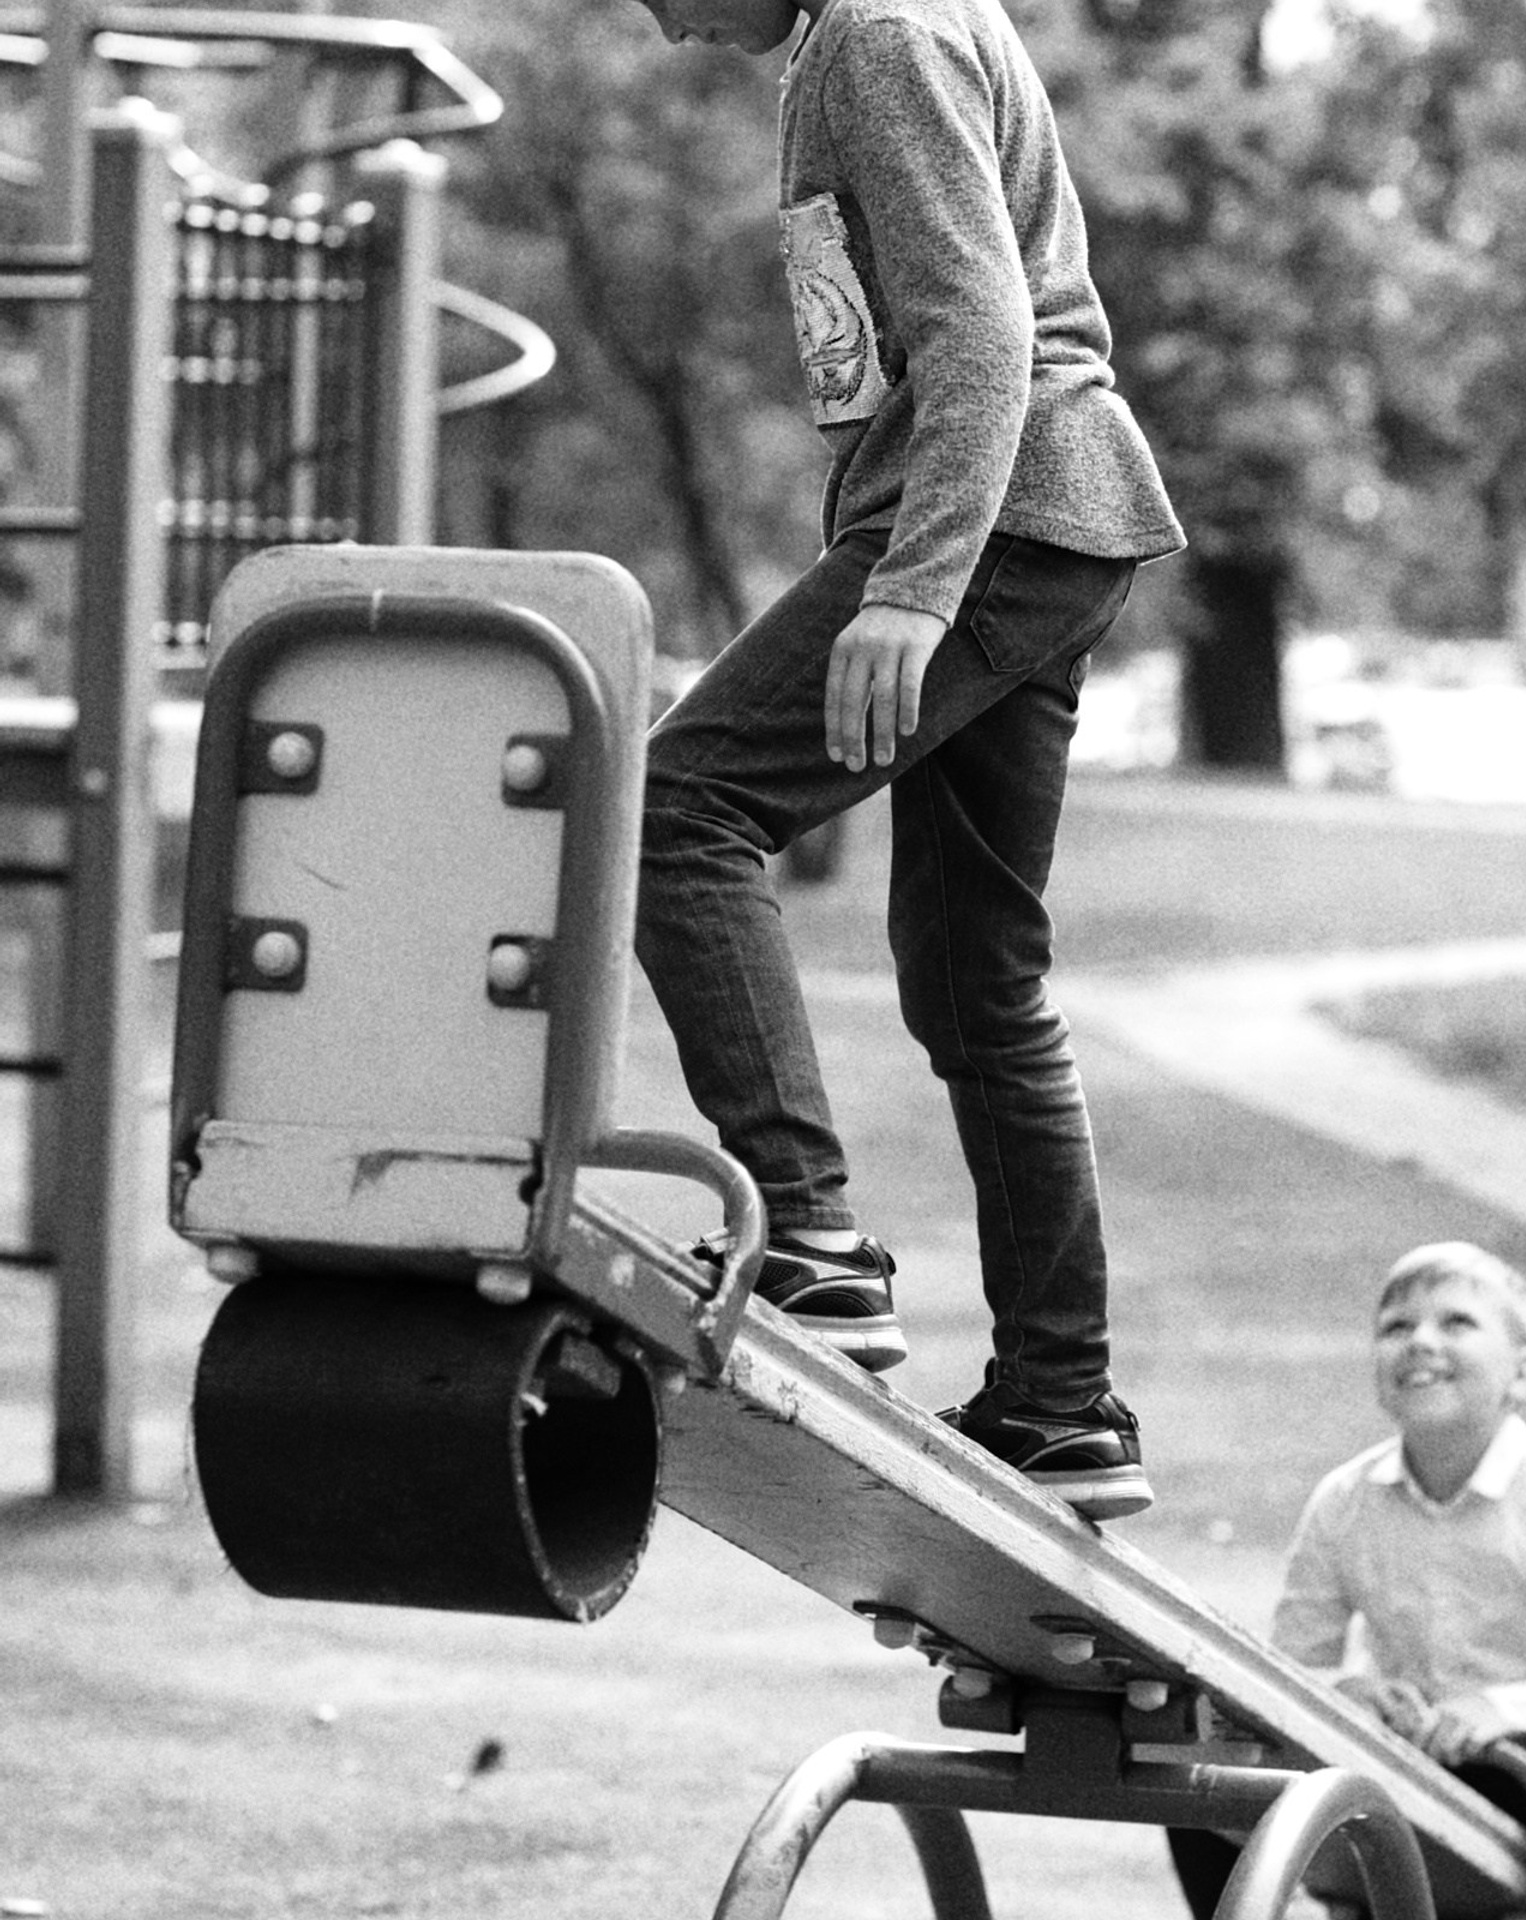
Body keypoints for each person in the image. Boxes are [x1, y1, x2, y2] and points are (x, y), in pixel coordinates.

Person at [625, 0, 1184, 1520]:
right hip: (1044, 518)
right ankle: (1060, 1403)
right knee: (972, 972)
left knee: (677, 806)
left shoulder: (882, 31)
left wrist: (915, 585)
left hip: (995, 517)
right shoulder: (854, 38)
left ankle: (805, 1234)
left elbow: (986, 326)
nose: (661, 26)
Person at [1168, 1242, 1526, 1919]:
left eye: (1457, 1323)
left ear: (1521, 1373)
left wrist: (1500, 1710)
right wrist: (1352, 1695)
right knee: (1205, 1761)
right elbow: (1287, 1676)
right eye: (1397, 1327)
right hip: (1394, 1761)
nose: (1421, 1342)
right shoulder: (1344, 1500)